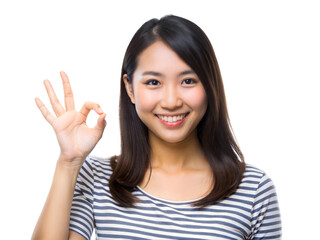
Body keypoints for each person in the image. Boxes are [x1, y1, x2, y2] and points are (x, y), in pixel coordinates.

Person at [32, 15, 281, 240]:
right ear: (130, 88)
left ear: (210, 84)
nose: (171, 101)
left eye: (188, 80)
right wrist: (69, 162)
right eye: (153, 82)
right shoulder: (98, 178)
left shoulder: (254, 189)